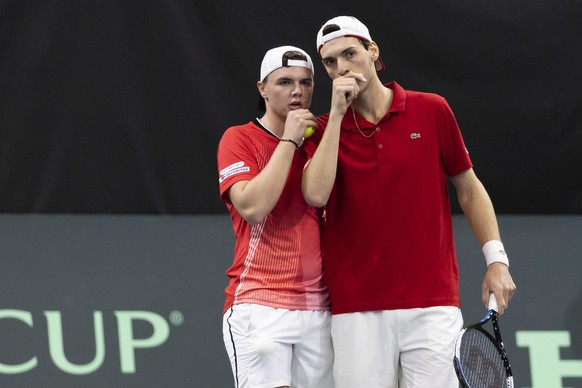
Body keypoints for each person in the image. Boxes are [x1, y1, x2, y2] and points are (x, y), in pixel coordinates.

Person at [302, 16, 517, 387]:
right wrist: (337, 114)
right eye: (330, 62)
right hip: (356, 308)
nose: (341, 68)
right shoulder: (322, 129)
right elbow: (316, 195)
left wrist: (496, 260)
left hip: (432, 304)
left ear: (373, 51)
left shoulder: (432, 110)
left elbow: (468, 187)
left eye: (349, 54)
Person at [217, 45, 333, 388]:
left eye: (306, 82)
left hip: (320, 310)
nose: (298, 91)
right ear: (262, 89)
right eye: (284, 82)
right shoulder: (238, 138)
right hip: (259, 304)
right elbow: (253, 208)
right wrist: (289, 141)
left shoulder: (324, 139)